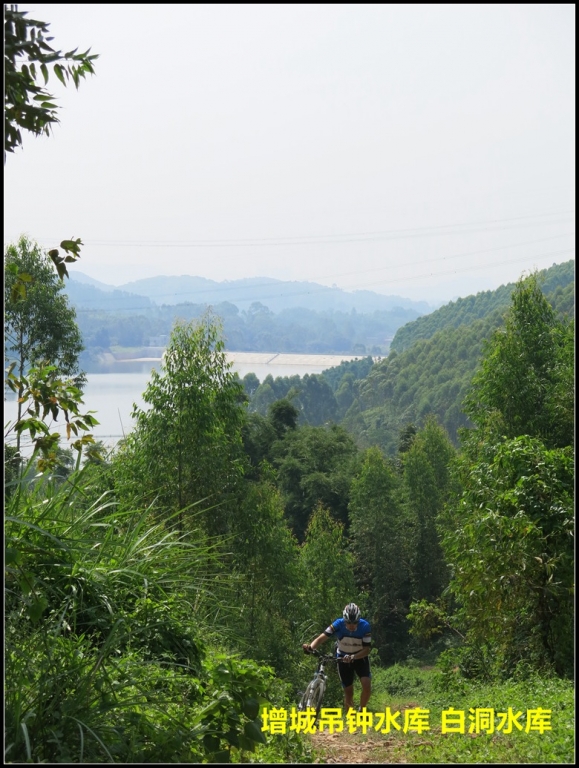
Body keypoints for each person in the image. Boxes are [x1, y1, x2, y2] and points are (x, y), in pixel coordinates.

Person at [302, 602, 372, 711]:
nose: (352, 626)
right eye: (349, 623)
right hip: (342, 658)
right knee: (349, 691)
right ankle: (350, 717)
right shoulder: (337, 624)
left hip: (360, 658)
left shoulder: (365, 626)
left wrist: (353, 656)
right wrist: (311, 647)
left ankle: (362, 710)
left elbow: (366, 649)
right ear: (344, 620)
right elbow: (321, 638)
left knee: (366, 685)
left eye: (355, 623)